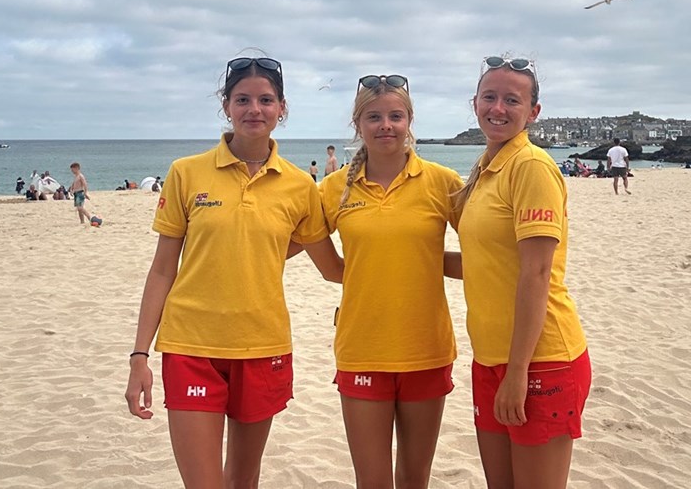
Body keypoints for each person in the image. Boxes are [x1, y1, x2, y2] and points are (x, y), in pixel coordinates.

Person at [124, 55, 343, 488]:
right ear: (226, 106)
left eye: (265, 100)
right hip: (191, 345)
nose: (254, 109)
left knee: (243, 480)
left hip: (263, 345)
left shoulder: (300, 185)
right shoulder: (186, 173)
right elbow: (163, 270)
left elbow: (332, 268)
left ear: (282, 108)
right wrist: (139, 356)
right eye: (242, 99)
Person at [445, 55, 590, 489]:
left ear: (533, 112)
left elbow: (536, 273)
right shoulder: (489, 170)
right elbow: (484, 264)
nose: (498, 108)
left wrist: (518, 373)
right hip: (490, 359)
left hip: (540, 361)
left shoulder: (531, 166)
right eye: (490, 97)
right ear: (474, 104)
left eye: (512, 99)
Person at [319, 74, 463, 489]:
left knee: (415, 478)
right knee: (373, 480)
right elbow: (298, 246)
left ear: (410, 121)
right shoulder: (333, 189)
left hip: (427, 348)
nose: (386, 125)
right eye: (374, 117)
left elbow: (486, 252)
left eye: (395, 116)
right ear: (358, 125)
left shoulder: (442, 182)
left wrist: (422, 262)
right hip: (362, 348)